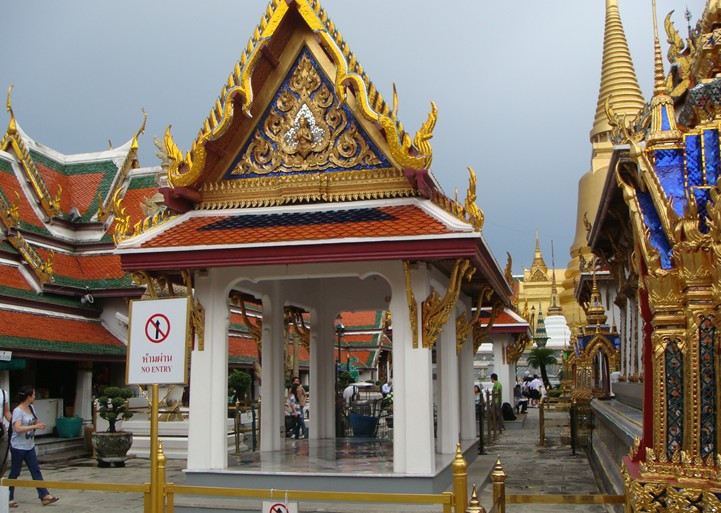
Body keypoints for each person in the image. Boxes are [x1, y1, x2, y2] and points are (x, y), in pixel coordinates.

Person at [8, 386, 59, 508]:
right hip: (18, 447)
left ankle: (44, 495)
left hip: (29, 446)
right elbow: (18, 428)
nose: (35, 397)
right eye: (34, 395)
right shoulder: (18, 411)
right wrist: (35, 427)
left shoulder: (31, 407)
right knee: (15, 472)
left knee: (35, 470)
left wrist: (39, 424)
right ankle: (8, 497)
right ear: (28, 397)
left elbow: (35, 420)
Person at [0, 385, 13, 476]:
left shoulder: (3, 393)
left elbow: (6, 411)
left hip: (1, 429)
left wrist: (14, 422)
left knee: (4, 460)